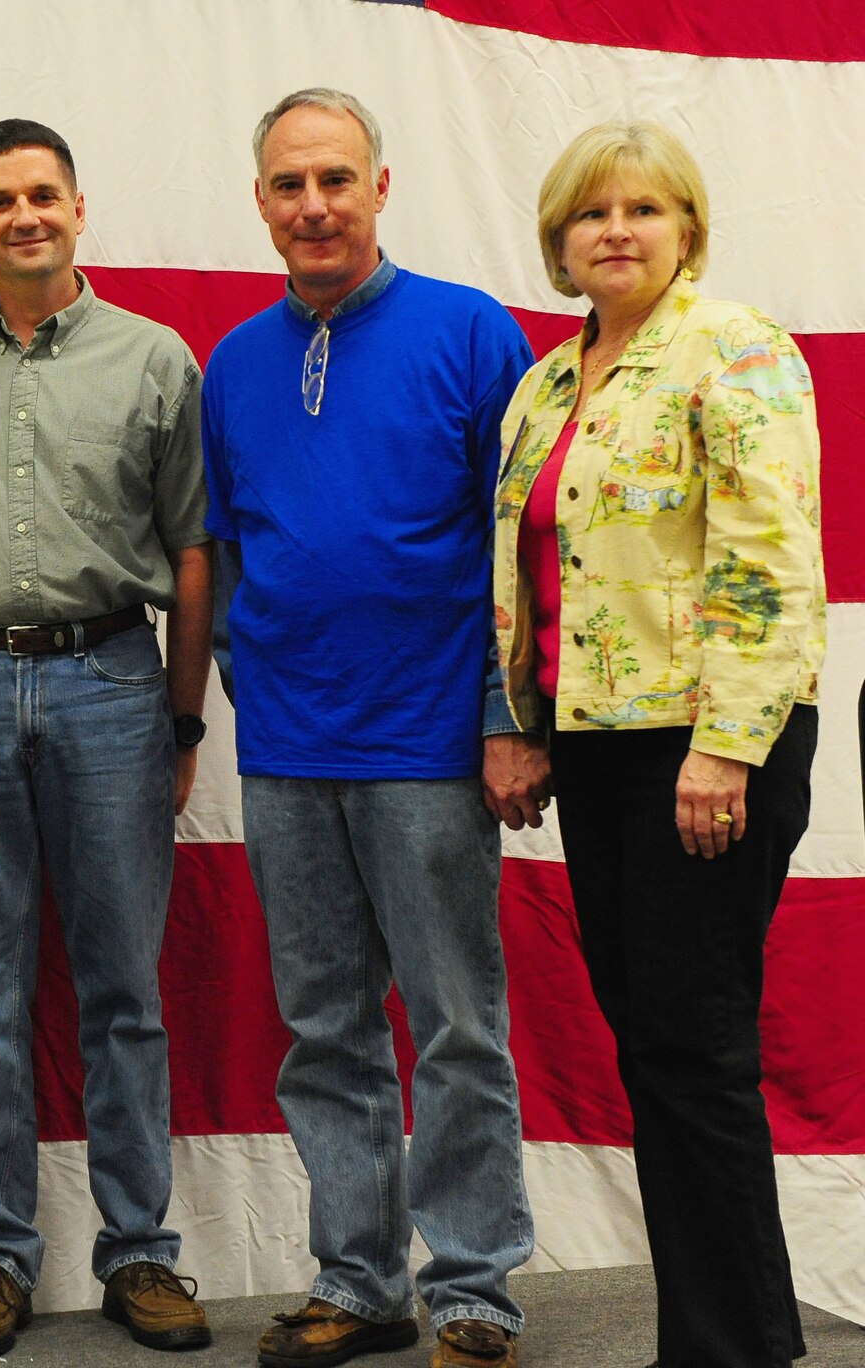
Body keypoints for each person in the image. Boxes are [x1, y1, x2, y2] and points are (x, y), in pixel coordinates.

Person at [201, 88, 536, 1368]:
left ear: (379, 187)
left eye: (335, 179)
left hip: (429, 749)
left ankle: (472, 1291)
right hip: (287, 754)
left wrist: (504, 718)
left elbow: (519, 544)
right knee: (324, 1032)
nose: (313, 205)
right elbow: (228, 547)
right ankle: (357, 1281)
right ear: (259, 202)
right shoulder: (234, 362)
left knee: (456, 1030)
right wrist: (249, 677)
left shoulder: (470, 333)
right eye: (289, 184)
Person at [495, 121, 825, 1368]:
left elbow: (767, 561)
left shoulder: (733, 349)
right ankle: (719, 1338)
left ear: (685, 227)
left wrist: (724, 748)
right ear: (558, 240)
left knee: (692, 1051)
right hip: (597, 749)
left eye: (641, 208)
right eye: (589, 213)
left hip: (708, 746)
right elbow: (528, 575)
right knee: (653, 1048)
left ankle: (734, 1351)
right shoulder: (545, 385)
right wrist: (525, 729)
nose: (614, 231)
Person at [0, 119, 214, 1357]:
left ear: (78, 208)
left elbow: (192, 550)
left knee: (122, 985)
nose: (22, 215)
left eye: (41, 194)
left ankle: (140, 1253)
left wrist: (182, 717)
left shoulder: (154, 360)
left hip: (110, 684)